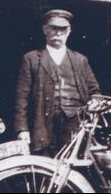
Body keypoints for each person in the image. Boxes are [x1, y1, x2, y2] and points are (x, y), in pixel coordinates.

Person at [14, 9, 101, 156]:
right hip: (42, 127)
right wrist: (22, 129)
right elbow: (21, 98)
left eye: (63, 29)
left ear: (69, 31)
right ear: (45, 30)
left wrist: (95, 102)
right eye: (54, 28)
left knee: (73, 172)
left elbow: (95, 92)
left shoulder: (80, 60)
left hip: (74, 129)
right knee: (44, 172)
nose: (58, 33)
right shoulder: (31, 59)